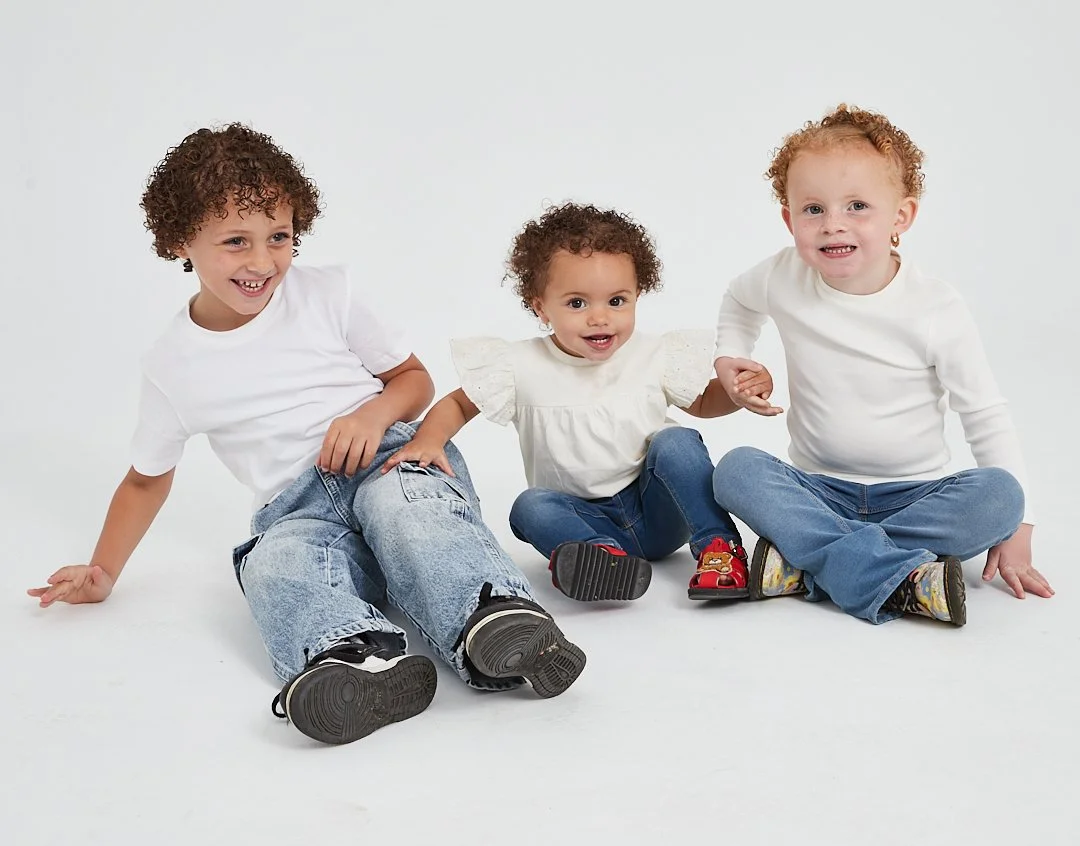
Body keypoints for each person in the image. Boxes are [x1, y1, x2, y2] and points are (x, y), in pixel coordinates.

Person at [26, 124, 586, 746]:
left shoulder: (328, 292)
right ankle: (355, 659)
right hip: (294, 509)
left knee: (409, 516)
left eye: (279, 237)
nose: (263, 262)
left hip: (389, 459)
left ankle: (494, 619)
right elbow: (145, 479)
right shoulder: (171, 366)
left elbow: (412, 380)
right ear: (182, 239)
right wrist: (104, 572)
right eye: (236, 241)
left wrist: (372, 416)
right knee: (272, 565)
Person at [710, 104, 1054, 627]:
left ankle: (809, 563)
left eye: (857, 206)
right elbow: (738, 301)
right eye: (813, 209)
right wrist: (733, 356)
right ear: (789, 218)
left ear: (901, 216)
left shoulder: (935, 307)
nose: (833, 225)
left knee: (1001, 497)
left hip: (916, 496)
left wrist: (1021, 527)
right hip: (817, 489)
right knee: (736, 469)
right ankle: (903, 579)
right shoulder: (782, 276)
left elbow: (984, 414)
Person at [384, 202, 776, 602]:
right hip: (582, 516)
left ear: (637, 295)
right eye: (577, 303)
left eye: (617, 301)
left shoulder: (652, 354)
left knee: (676, 442)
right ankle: (603, 560)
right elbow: (459, 404)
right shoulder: (519, 365)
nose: (599, 318)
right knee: (529, 507)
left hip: (658, 509)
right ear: (541, 308)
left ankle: (719, 548)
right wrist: (429, 439)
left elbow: (704, 403)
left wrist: (735, 392)